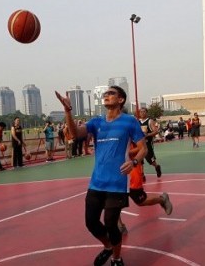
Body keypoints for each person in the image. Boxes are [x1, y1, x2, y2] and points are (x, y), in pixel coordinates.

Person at [56, 85, 147, 266]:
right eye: (105, 94)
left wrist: (134, 162)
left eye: (111, 94)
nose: (106, 96)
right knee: (91, 222)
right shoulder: (96, 122)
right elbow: (74, 134)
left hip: (117, 182)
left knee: (111, 224)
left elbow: (143, 148)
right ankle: (107, 246)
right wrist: (68, 111)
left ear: (120, 100)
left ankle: (116, 257)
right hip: (96, 182)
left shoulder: (129, 121)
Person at [118, 142, 173, 234]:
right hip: (117, 170)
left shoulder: (132, 128)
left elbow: (143, 147)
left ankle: (162, 199)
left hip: (132, 169)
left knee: (140, 200)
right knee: (113, 199)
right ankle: (120, 226)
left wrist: (127, 153)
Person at [138, 108, 162, 178]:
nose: (142, 113)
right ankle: (142, 174)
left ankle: (157, 166)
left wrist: (147, 135)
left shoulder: (150, 121)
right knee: (139, 159)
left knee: (149, 159)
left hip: (147, 143)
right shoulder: (137, 122)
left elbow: (156, 131)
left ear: (146, 113)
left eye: (144, 112)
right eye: (141, 112)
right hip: (139, 143)